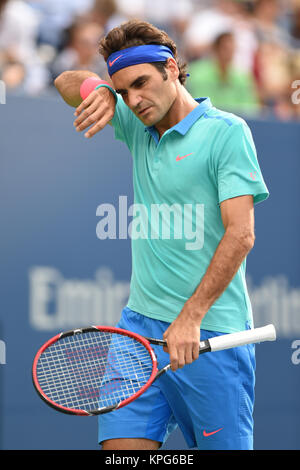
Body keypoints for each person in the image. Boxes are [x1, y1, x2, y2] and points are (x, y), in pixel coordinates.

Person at [54, 19, 269, 451]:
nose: (133, 100)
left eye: (140, 84)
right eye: (123, 91)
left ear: (171, 68)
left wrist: (190, 317)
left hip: (209, 335)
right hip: (138, 334)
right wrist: (98, 89)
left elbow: (241, 235)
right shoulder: (135, 122)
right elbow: (64, 80)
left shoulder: (227, 133)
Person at [186, 31, 260, 116]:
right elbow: (200, 106)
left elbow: (251, 109)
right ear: (216, 49)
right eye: (225, 49)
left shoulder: (242, 78)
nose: (229, 53)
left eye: (232, 49)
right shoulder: (198, 73)